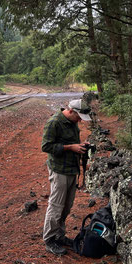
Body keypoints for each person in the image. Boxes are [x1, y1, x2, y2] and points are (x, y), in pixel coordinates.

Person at [41, 99, 92, 255]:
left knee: (67, 206)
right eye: (78, 117)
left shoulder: (72, 122)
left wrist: (81, 146)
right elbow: (46, 146)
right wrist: (71, 147)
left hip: (71, 169)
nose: (80, 121)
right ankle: (49, 239)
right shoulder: (54, 122)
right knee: (56, 206)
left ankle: (59, 236)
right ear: (71, 111)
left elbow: (71, 142)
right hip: (59, 170)